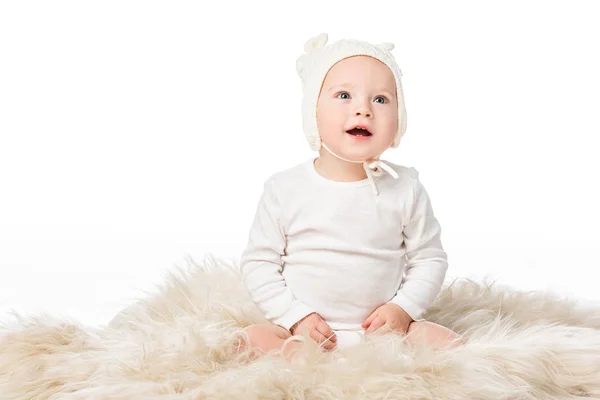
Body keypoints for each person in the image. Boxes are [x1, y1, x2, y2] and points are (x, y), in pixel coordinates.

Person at [239, 33, 463, 359]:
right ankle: (296, 355)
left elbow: (429, 259)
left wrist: (402, 310)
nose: (363, 109)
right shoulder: (285, 188)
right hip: (305, 332)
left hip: (381, 334)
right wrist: (295, 317)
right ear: (313, 111)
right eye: (344, 95)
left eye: (381, 100)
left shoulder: (405, 187)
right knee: (253, 338)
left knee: (447, 344)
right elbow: (259, 264)